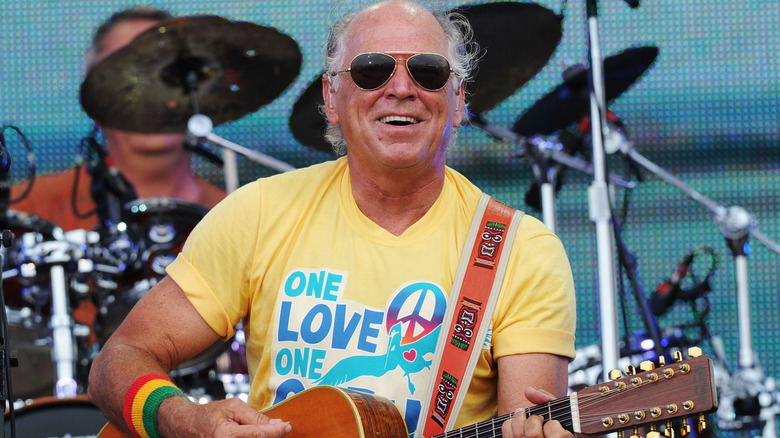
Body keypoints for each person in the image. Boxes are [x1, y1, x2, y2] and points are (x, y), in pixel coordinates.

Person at [87, 1, 576, 437]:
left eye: (428, 71)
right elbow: (117, 360)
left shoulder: (520, 249)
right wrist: (187, 421)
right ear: (331, 98)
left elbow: (527, 422)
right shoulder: (258, 212)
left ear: (459, 99)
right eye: (371, 70)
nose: (401, 88)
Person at [5, 7, 227, 396]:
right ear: (94, 90)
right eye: (126, 65)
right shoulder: (30, 209)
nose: (147, 83)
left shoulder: (244, 213)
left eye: (165, 68)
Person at [9, 6, 226, 232]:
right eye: (126, 73)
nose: (150, 90)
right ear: (94, 100)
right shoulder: (23, 209)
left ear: (198, 95)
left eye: (169, 73)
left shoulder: (240, 223)